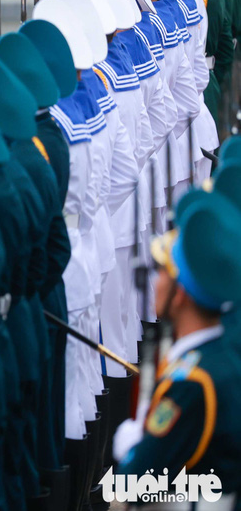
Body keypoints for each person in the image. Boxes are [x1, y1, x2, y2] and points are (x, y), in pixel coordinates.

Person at [112, 190, 241, 494]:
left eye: (161, 272)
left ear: (180, 293)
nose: (154, 282)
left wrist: (131, 449)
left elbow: (134, 485)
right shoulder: (217, 356)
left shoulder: (191, 383)